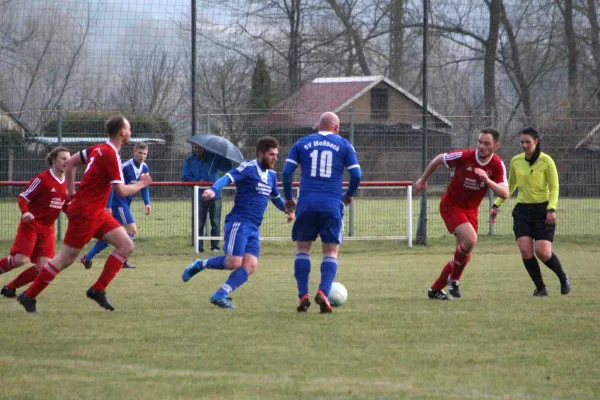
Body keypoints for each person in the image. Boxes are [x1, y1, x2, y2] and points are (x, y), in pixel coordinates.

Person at [17, 115, 151, 313]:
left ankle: (98, 289)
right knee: (65, 258)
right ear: (122, 133)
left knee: (126, 245)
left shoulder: (98, 149)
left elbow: (71, 163)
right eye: (129, 129)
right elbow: (121, 191)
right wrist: (141, 184)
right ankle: (28, 295)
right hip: (85, 213)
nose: (130, 133)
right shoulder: (110, 154)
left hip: (96, 211)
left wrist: (71, 191)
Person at [181, 137, 293, 309]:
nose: (275, 158)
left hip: (254, 227)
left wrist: (288, 210)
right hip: (239, 222)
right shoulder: (248, 167)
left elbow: (276, 198)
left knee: (251, 265)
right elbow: (227, 177)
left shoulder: (271, 175)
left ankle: (220, 294)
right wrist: (213, 189)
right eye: (271, 154)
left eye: (276, 154)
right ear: (261, 153)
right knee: (234, 262)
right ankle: (200, 264)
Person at [414, 127, 509, 300]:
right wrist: (423, 180)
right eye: (479, 142)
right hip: (451, 205)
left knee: (464, 252)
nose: (481, 146)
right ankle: (455, 280)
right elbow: (438, 159)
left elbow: (505, 193)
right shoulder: (464, 156)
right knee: (470, 240)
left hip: (470, 210)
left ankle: (435, 290)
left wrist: (487, 181)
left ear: (495, 146)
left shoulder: (497, 164)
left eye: (486, 144)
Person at [282, 111, 362, 313]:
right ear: (337, 128)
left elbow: (286, 172)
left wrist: (290, 197)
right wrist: (349, 194)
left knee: (303, 249)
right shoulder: (344, 145)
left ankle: (303, 295)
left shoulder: (301, 143)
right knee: (331, 251)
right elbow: (356, 174)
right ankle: (324, 292)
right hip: (331, 203)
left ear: (318, 126)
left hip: (306, 202)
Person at [490, 127, 570, 296]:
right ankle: (541, 288)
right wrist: (496, 205)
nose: (524, 145)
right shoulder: (516, 161)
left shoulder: (546, 161)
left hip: (543, 210)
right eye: (522, 142)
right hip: (523, 211)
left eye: (528, 142)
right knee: (526, 250)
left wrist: (551, 208)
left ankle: (563, 278)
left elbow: (554, 187)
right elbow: (510, 187)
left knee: (543, 252)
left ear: (536, 142)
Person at [0, 147, 70, 298]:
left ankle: (10, 288)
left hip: (47, 229)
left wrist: (75, 216)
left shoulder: (67, 181)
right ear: (53, 160)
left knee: (44, 267)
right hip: (31, 225)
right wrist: (25, 212)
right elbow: (22, 197)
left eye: (68, 158)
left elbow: (64, 204)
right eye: (63, 158)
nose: (67, 161)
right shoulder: (42, 179)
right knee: (20, 259)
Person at [80, 142, 152, 270]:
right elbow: (113, 186)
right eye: (139, 153)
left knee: (110, 236)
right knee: (132, 230)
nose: (142, 156)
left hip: (125, 203)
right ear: (134, 152)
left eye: (144, 154)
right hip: (118, 202)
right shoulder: (125, 167)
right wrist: (108, 206)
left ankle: (87, 257)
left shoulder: (144, 168)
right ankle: (121, 257)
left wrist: (147, 203)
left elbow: (143, 186)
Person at [182, 144, 232, 252]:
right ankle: (198, 247)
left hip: (215, 195)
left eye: (200, 148)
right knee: (199, 222)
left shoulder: (213, 157)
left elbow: (226, 167)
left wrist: (222, 156)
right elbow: (185, 177)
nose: (198, 150)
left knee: (215, 222)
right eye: (196, 148)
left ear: (204, 148)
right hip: (199, 196)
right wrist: (196, 182)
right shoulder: (189, 161)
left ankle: (215, 246)